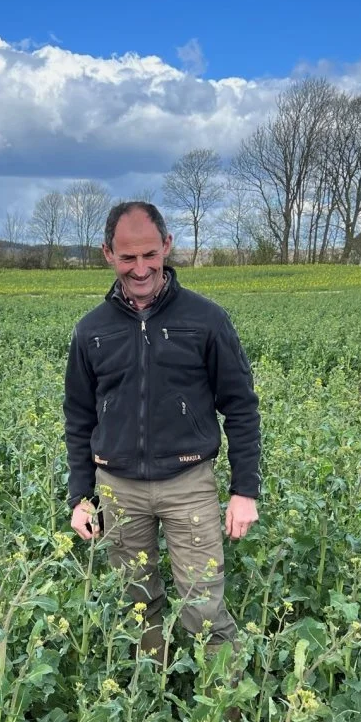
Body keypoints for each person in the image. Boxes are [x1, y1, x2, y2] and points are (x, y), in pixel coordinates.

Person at [64, 201, 261, 659]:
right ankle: (151, 707)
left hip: (188, 483)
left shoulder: (205, 320)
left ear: (168, 247)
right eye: (128, 257)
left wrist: (244, 489)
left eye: (150, 255)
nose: (140, 268)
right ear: (107, 254)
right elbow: (79, 419)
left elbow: (242, 409)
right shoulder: (91, 331)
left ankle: (225, 721)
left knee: (203, 609)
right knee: (137, 607)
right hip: (117, 488)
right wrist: (80, 497)